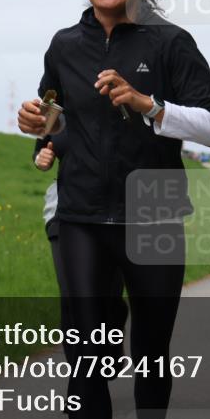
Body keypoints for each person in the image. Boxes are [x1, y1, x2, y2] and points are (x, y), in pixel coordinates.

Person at [17, 0, 210, 419]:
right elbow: (58, 115)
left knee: (151, 350)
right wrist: (40, 131)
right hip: (83, 214)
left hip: (154, 209)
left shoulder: (170, 42)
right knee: (85, 354)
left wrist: (148, 104)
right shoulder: (65, 44)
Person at [34, 134, 128, 356]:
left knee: (107, 295)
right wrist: (41, 157)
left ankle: (112, 330)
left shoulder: (127, 102)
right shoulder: (59, 102)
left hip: (116, 212)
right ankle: (83, 379)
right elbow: (41, 147)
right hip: (63, 211)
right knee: (72, 297)